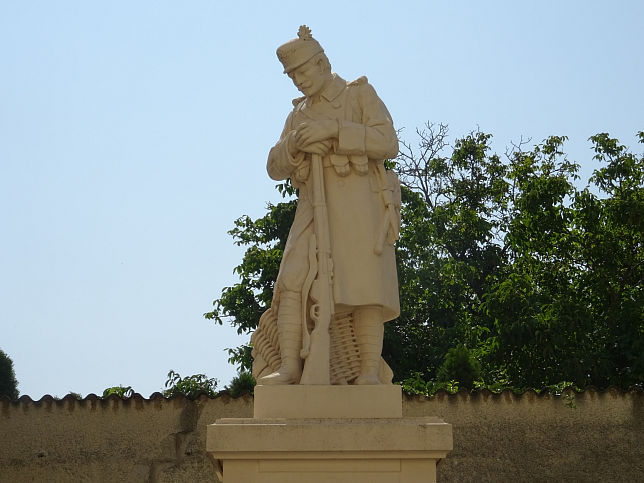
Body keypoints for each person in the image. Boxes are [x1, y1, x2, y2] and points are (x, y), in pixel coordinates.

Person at [251, 26, 400, 385]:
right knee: (290, 281)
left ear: (323, 63)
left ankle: (367, 373)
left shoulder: (358, 95)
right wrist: (296, 145)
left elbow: (387, 142)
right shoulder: (297, 114)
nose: (298, 82)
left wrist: (334, 131)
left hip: (358, 206)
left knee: (364, 288)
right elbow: (274, 166)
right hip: (312, 210)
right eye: (292, 76)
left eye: (302, 72)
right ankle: (290, 367)